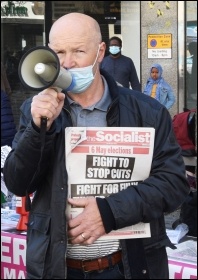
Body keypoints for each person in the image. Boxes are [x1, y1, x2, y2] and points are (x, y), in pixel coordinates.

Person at [3, 13, 189, 279]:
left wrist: (109, 211)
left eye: (79, 51)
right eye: (59, 52)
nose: (67, 63)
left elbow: (173, 184)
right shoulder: (35, 110)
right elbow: (18, 182)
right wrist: (37, 129)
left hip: (127, 266)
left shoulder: (147, 112)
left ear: (100, 52)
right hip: (58, 267)